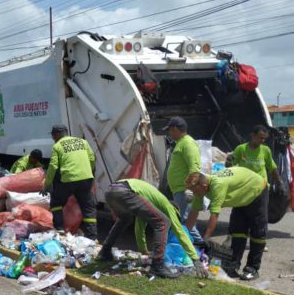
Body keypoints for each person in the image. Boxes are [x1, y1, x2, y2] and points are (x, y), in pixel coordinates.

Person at [97, 179, 208, 279]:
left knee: (124, 219)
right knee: (164, 222)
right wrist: (196, 260)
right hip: (127, 191)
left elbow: (139, 227)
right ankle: (157, 265)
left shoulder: (151, 204)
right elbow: (180, 233)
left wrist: (143, 250)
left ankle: (105, 251)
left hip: (112, 190)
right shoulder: (169, 208)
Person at [185, 167, 267, 280]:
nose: (194, 194)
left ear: (204, 186)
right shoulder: (201, 188)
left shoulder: (217, 185)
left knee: (257, 232)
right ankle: (234, 265)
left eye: (195, 191)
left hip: (256, 190)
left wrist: (206, 238)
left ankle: (252, 268)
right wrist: (184, 235)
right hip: (241, 196)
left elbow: (214, 215)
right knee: (237, 231)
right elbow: (194, 212)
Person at [41, 125, 97, 240]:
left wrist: (47, 185)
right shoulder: (83, 142)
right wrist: (88, 172)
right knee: (88, 208)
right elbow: (92, 158)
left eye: (52, 135)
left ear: (56, 135)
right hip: (86, 179)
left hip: (68, 180)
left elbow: (53, 166)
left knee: (56, 202)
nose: (52, 138)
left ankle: (60, 229)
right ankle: (92, 237)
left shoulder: (57, 146)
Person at [163, 116, 204, 245]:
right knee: (183, 221)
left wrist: (189, 189)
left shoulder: (188, 143)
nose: (169, 133)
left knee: (185, 221)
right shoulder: (181, 143)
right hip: (179, 190)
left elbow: (194, 168)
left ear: (175, 129)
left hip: (183, 190)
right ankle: (194, 248)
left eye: (170, 130)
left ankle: (202, 246)